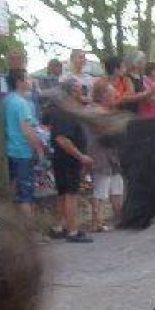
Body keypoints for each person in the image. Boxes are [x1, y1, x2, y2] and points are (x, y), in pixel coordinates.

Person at [49, 81, 94, 243]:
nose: (79, 93)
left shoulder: (63, 111)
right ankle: (72, 230)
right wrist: (81, 156)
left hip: (63, 158)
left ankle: (59, 227)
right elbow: (62, 138)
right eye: (76, 90)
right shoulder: (66, 113)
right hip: (68, 159)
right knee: (70, 194)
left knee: (63, 193)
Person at [2, 69, 45, 220]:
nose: (30, 81)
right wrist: (38, 149)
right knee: (26, 195)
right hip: (23, 151)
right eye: (27, 78)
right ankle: (30, 232)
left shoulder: (6, 101)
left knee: (14, 190)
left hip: (10, 150)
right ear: (20, 82)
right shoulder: (21, 104)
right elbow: (27, 130)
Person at [88, 81, 124, 232]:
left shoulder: (106, 111)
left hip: (112, 155)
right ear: (103, 95)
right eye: (111, 94)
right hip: (100, 154)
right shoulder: (94, 111)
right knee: (101, 189)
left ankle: (120, 217)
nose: (114, 96)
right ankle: (97, 222)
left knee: (117, 187)